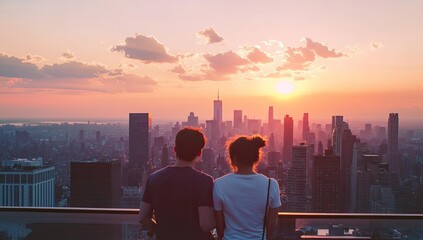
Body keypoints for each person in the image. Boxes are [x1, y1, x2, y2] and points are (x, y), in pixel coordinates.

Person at [139, 127, 216, 240]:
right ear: (199, 153)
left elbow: (143, 217)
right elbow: (206, 225)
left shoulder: (154, 178)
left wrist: (160, 230)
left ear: (175, 149)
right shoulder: (204, 181)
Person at [213, 135, 281, 240]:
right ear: (256, 158)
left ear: (233, 159)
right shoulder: (271, 185)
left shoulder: (219, 184)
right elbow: (272, 224)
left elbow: (219, 224)